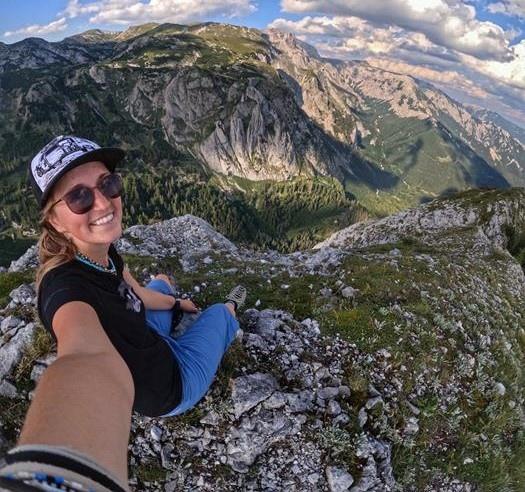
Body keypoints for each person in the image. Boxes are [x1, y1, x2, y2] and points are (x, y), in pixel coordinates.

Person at [0, 135, 247, 491]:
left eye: (108, 184)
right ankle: (232, 307)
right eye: (78, 197)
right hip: (170, 386)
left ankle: (175, 303)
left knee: (161, 284)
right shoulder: (64, 290)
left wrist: (176, 304)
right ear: (54, 221)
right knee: (219, 315)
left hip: (148, 339)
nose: (103, 202)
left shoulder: (102, 251)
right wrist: (52, 479)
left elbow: (136, 294)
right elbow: (85, 356)